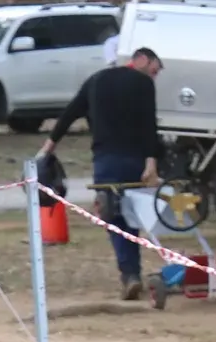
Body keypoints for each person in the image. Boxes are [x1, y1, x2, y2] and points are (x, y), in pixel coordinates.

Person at [40, 47, 166, 301]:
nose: (154, 76)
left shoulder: (96, 80)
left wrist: (47, 149)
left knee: (113, 217)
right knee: (131, 216)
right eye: (155, 69)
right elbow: (148, 123)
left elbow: (70, 113)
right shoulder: (143, 84)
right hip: (134, 160)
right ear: (141, 59)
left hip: (106, 161)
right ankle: (132, 273)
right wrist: (151, 162)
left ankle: (130, 274)